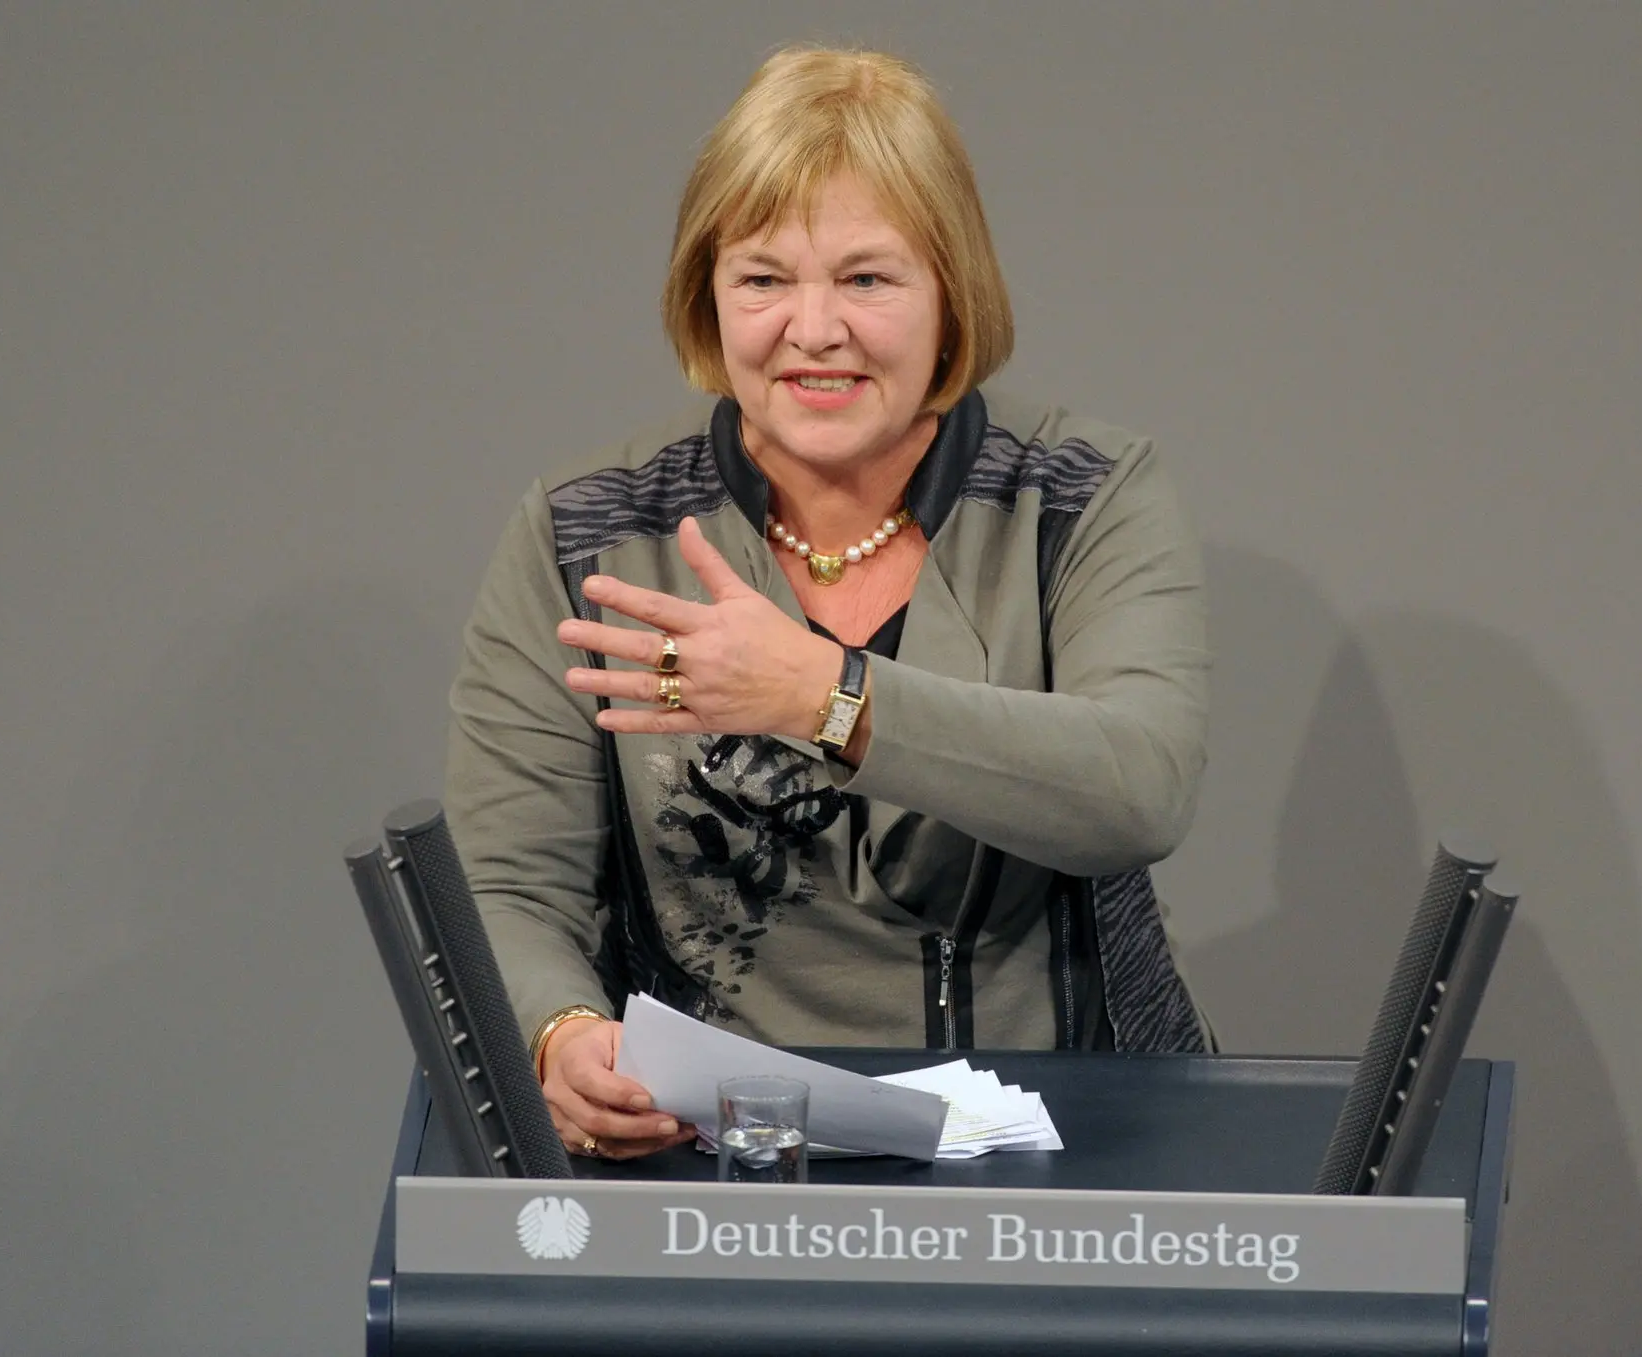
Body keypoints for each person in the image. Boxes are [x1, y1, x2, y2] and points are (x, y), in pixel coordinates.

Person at [444, 46, 1212, 1163]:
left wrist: (827, 695)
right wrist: (560, 1032)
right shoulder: (587, 532)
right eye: (763, 279)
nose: (813, 329)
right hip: (711, 1166)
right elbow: (509, 883)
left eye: (866, 278)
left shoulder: (1083, 494)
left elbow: (1141, 787)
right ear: (707, 295)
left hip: (1063, 1154)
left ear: (953, 293)